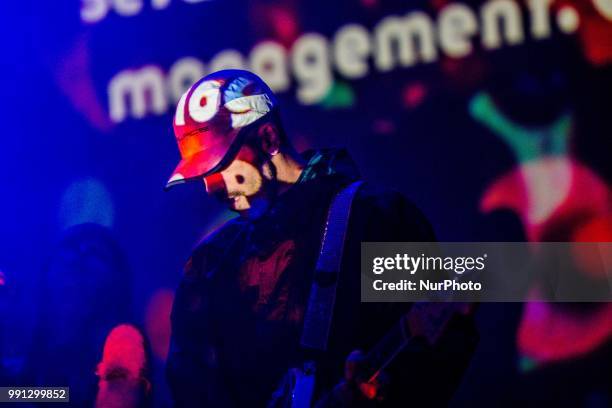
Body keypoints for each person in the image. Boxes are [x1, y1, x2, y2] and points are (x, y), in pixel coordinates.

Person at [165, 70, 477, 407]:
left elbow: (439, 350)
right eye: (203, 175)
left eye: (221, 164)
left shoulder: (372, 219)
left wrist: (388, 390)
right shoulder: (210, 265)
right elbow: (191, 387)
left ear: (268, 139)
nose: (212, 188)